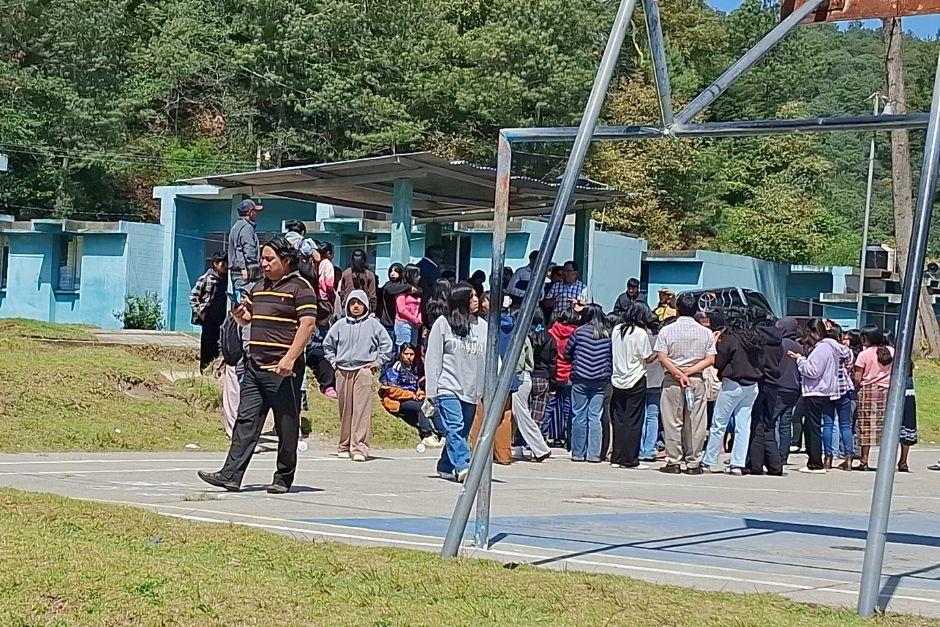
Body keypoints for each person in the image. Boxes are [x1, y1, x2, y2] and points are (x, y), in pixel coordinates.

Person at [198, 235, 315, 494]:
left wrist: (290, 359)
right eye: (262, 258)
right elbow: (248, 317)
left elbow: (307, 325)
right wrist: (240, 316)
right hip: (254, 366)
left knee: (286, 426)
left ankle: (283, 478)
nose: (263, 263)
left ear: (286, 260)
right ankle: (230, 474)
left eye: (269, 258)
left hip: (283, 370)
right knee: (245, 421)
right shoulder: (258, 287)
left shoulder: (300, 288)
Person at [425, 282, 488, 482]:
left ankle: (445, 465)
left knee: (461, 431)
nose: (476, 300)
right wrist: (431, 391)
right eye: (471, 297)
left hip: (471, 388)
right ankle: (464, 465)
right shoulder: (443, 324)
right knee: (454, 426)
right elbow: (433, 358)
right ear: (460, 300)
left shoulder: (483, 327)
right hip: (447, 386)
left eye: (476, 296)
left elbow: (493, 359)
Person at [323, 289, 393, 462]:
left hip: (363, 371)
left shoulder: (373, 325)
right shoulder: (340, 325)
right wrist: (334, 363)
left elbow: (387, 345)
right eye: (353, 303)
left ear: (365, 306)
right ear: (347, 305)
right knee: (345, 410)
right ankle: (344, 445)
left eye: (359, 303)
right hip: (343, 371)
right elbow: (327, 345)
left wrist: (376, 362)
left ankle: (359, 447)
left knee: (361, 410)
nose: (356, 306)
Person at [654, 293, 717, 475]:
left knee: (672, 421)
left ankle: (673, 460)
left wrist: (678, 373)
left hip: (672, 380)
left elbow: (661, 356)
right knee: (696, 421)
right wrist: (688, 372)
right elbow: (710, 359)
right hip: (696, 379)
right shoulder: (705, 332)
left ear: (678, 309)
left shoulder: (667, 330)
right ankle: (693, 462)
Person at [702, 309, 763, 475]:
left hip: (733, 384)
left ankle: (708, 461)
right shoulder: (756, 339)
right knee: (743, 425)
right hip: (752, 386)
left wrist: (715, 344)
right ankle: (737, 464)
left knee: (719, 423)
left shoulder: (730, 339)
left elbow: (718, 363)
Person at [787, 318, 840, 475]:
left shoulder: (822, 349)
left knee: (813, 428)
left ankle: (815, 462)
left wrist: (800, 360)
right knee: (813, 426)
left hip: (816, 391)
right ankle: (814, 460)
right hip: (823, 390)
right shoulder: (831, 348)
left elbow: (813, 371)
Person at [749, 316, 800, 475]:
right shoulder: (789, 345)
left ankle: (756, 464)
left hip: (766, 384)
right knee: (778, 425)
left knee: (759, 425)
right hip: (785, 386)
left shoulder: (761, 344)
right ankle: (777, 462)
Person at [609, 303, 655, 469]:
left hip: (617, 378)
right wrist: (657, 353)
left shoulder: (616, 330)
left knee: (619, 418)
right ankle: (630, 459)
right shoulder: (640, 333)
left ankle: (617, 456)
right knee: (634, 420)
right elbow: (647, 357)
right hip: (636, 378)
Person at [565, 304, 612, 463]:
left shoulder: (578, 333)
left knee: (579, 415)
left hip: (580, 378)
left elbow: (567, 353)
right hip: (600, 380)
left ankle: (578, 453)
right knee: (595, 416)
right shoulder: (607, 334)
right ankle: (594, 454)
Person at [379, 344, 442, 448]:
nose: (409, 356)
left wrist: (420, 393)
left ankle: (443, 434)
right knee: (421, 408)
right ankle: (426, 435)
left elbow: (416, 387)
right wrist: (410, 395)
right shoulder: (395, 367)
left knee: (431, 406)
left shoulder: (415, 368)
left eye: (411, 354)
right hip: (397, 400)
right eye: (406, 354)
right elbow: (390, 390)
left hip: (412, 398)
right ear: (401, 354)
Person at [853, 325, 894, 471]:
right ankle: (887, 461)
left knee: (865, 427)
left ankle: (864, 460)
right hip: (887, 392)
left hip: (868, 392)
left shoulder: (864, 355)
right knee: (885, 427)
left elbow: (858, 378)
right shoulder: (891, 351)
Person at [510, 320, 552, 463]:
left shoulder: (516, 337)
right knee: (523, 415)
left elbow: (520, 361)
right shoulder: (526, 337)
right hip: (528, 375)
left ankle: (540, 448)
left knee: (522, 415)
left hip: (517, 376)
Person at [544, 308, 580, 448]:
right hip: (569, 375)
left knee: (548, 407)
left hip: (553, 374)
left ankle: (542, 437)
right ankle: (569, 440)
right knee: (569, 409)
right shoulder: (576, 333)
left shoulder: (551, 332)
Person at [772, 317, 804, 465]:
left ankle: (774, 455)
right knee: (786, 422)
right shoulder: (799, 347)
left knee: (773, 422)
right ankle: (783, 456)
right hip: (794, 388)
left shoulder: (779, 344)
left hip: (778, 385)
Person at [189, 252, 229, 370]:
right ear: (215, 264)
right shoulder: (206, 278)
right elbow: (193, 297)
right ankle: (205, 369)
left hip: (222, 317)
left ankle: (216, 370)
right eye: (223, 263)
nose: (226, 266)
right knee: (207, 344)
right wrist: (200, 312)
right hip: (208, 318)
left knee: (220, 344)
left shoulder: (227, 280)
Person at [226, 199, 262, 299]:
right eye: (255, 211)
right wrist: (249, 269)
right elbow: (248, 249)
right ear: (250, 212)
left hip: (237, 272)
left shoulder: (236, 227)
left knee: (240, 302)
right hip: (245, 273)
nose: (256, 214)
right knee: (245, 302)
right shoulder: (247, 228)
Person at [640, 320, 664, 462]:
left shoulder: (642, 335)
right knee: (653, 416)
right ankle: (649, 449)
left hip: (642, 379)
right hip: (658, 380)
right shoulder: (661, 337)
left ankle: (640, 447)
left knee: (641, 415)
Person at [393, 264, 423, 350]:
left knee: (413, 349)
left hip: (415, 325)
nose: (419, 277)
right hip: (403, 323)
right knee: (404, 350)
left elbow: (419, 307)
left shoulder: (417, 290)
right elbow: (401, 309)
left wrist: (419, 319)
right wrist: (415, 319)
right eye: (417, 275)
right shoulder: (402, 289)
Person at [379, 263, 406, 340]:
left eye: (396, 271)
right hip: (388, 323)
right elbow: (391, 290)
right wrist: (409, 287)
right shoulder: (388, 285)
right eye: (391, 271)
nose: (392, 273)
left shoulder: (404, 285)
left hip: (401, 323)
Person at [417, 244, 444, 310]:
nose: (441, 260)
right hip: (428, 302)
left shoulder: (418, 265)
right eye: (441, 258)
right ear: (435, 257)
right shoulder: (433, 270)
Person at [316, 241, 338, 319]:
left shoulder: (318, 262)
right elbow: (329, 284)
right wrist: (332, 296)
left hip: (317, 297)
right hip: (325, 299)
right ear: (329, 253)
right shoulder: (328, 264)